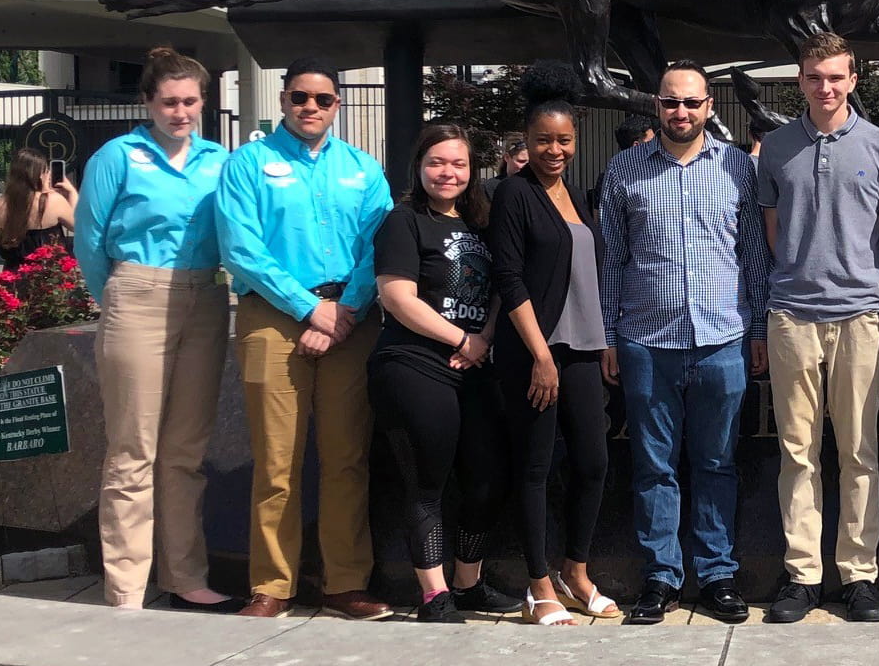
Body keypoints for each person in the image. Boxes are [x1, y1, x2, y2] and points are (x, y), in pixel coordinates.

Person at [217, 58, 394, 620]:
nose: (310, 108)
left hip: (350, 316)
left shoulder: (363, 169)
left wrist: (345, 311)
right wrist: (307, 308)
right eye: (299, 98)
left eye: (322, 99)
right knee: (276, 461)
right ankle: (272, 585)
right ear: (283, 100)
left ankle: (345, 583)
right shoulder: (248, 165)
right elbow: (241, 248)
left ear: (337, 104)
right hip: (273, 315)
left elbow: (379, 247)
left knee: (346, 457)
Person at [598, 62, 770, 625]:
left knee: (718, 462)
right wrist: (608, 337)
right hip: (647, 340)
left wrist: (761, 330)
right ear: (657, 106)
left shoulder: (739, 169)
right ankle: (660, 577)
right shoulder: (624, 169)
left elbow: (753, 258)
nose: (681, 112)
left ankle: (717, 574)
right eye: (671, 102)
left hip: (723, 338)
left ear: (710, 106)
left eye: (692, 103)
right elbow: (611, 261)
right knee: (654, 467)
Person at [72, 48, 235, 611]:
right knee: (133, 449)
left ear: (203, 103)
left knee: (186, 451)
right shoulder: (119, 155)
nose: (180, 111)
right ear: (148, 102)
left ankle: (186, 575)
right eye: (169, 101)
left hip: (207, 298)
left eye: (190, 101)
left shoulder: (220, 159)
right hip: (137, 293)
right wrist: (118, 297)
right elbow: (89, 241)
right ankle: (126, 586)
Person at [758, 32, 879, 624]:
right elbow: (773, 230)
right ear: (800, 80)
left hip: (858, 317)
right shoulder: (776, 148)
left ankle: (860, 575)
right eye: (815, 76)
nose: (826, 87)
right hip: (792, 313)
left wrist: (868, 286)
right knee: (797, 453)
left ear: (853, 80)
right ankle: (803, 575)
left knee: (859, 451)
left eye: (836, 76)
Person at [365, 124, 523, 624]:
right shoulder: (403, 221)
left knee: (488, 480)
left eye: (457, 163)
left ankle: (468, 583)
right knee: (426, 484)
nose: (447, 173)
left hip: (474, 368)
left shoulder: (480, 223)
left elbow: (502, 286)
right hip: (414, 365)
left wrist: (486, 337)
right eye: (437, 162)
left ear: (471, 170)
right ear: (419, 166)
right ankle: (434, 596)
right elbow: (396, 297)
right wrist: (461, 340)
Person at [488, 63, 617, 627]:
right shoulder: (515, 194)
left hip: (585, 351)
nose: (555, 149)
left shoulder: (574, 195)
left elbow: (589, 274)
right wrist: (541, 355)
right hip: (535, 354)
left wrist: (605, 339)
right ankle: (537, 584)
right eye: (543, 140)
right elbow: (509, 278)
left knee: (593, 462)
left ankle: (576, 571)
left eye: (564, 139)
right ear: (527, 141)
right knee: (536, 469)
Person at [0, 148, 76, 269]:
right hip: (48, 274)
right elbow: (77, 225)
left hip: (14, 273)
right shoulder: (53, 201)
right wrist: (71, 192)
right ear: (40, 175)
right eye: (47, 171)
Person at [588, 114, 655, 216]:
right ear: (636, 146)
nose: (656, 146)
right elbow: (600, 220)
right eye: (651, 142)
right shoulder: (610, 177)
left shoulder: (658, 172)